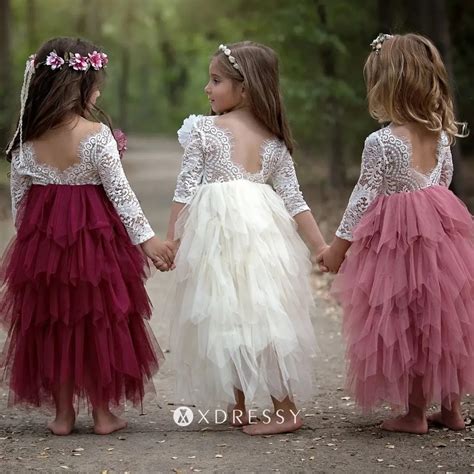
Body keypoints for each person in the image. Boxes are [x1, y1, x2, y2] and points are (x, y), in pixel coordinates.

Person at [0, 37, 175, 435]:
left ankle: (62, 416)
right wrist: (148, 242)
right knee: (98, 324)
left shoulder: (25, 142)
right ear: (79, 86)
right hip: (95, 248)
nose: (99, 91)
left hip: (43, 249)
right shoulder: (97, 137)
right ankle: (102, 414)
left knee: (54, 323)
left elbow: (20, 206)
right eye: (95, 84)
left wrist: (32, 248)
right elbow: (123, 196)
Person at [164, 41, 328, 435]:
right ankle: (236, 404)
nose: (207, 88)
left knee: (251, 313)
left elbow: (186, 190)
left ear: (246, 87)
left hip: (246, 235)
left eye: (216, 80)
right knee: (232, 312)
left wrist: (173, 239)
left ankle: (285, 408)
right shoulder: (266, 138)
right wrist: (319, 245)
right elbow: (294, 200)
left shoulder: (214, 131)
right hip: (239, 233)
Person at [320, 33, 474, 434]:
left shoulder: (382, 141)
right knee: (444, 319)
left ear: (388, 84)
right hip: (442, 238)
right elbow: (443, 181)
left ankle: (415, 413)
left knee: (409, 320)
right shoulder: (441, 135)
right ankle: (452, 409)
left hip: (400, 244)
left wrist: (338, 248)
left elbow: (362, 197)